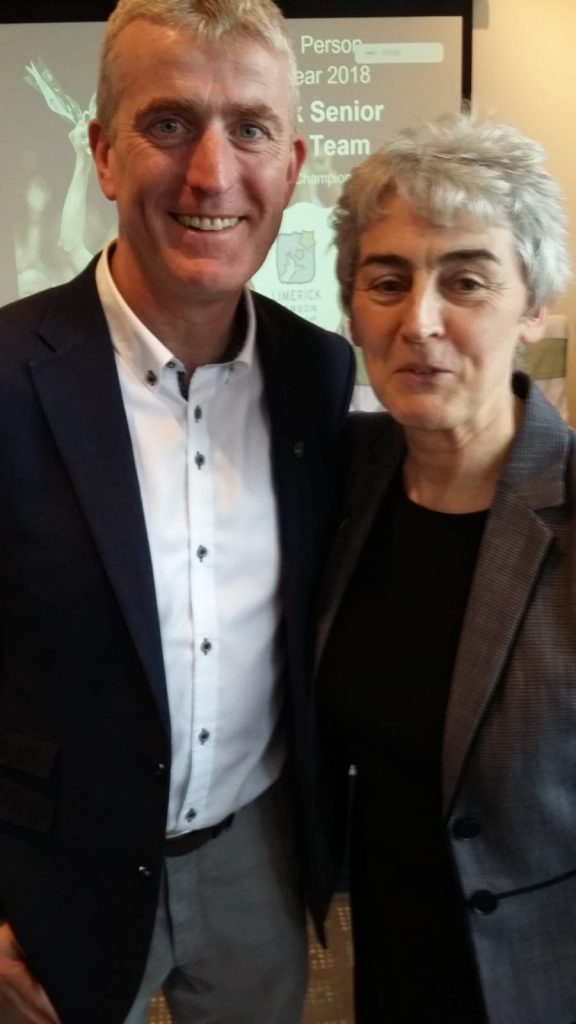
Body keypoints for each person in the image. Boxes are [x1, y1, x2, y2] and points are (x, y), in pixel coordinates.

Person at [0, 0, 355, 1021]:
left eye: (249, 128)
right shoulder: (9, 376)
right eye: (168, 124)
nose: (211, 174)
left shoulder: (320, 374)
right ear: (104, 154)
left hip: (255, 854)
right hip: (46, 871)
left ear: (291, 164)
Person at [315, 112, 575, 1024]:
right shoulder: (339, 484)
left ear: (533, 305)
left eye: (465, 279)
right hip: (387, 974)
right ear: (352, 309)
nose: (419, 320)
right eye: (388, 281)